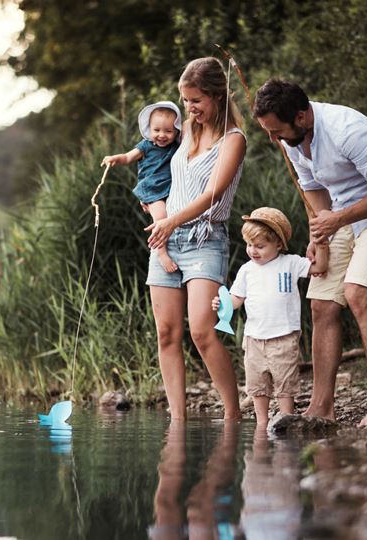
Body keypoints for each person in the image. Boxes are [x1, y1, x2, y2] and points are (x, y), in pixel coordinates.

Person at [254, 79, 367, 427]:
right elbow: (313, 189)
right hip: (340, 217)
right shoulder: (291, 140)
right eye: (268, 131)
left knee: (357, 294)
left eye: (277, 130)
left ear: (300, 116)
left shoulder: (348, 129)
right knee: (322, 303)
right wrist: (320, 235)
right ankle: (321, 407)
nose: (273, 138)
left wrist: (336, 219)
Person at [144, 57, 247, 422]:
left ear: (217, 96)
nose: (189, 108)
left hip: (205, 238)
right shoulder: (185, 129)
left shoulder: (234, 139)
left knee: (203, 331)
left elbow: (214, 194)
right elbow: (153, 170)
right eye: (186, 100)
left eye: (196, 100)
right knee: (167, 333)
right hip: (166, 240)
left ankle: (233, 415)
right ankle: (178, 420)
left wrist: (171, 221)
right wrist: (157, 213)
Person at [210, 207, 327, 425]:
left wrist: (321, 243)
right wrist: (222, 304)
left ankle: (285, 418)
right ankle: (262, 423)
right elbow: (236, 299)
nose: (253, 251)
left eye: (260, 246)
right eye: (249, 245)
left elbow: (320, 265)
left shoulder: (290, 262)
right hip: (254, 338)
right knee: (257, 383)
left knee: (285, 381)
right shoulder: (246, 270)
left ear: (279, 244)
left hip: (284, 336)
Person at [101, 101, 183, 272]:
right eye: (157, 130)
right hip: (152, 189)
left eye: (168, 131)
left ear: (176, 130)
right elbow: (128, 157)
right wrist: (116, 159)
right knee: (161, 218)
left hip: (171, 189)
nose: (162, 135)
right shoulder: (146, 145)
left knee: (173, 215)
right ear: (149, 129)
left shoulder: (177, 146)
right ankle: (160, 252)